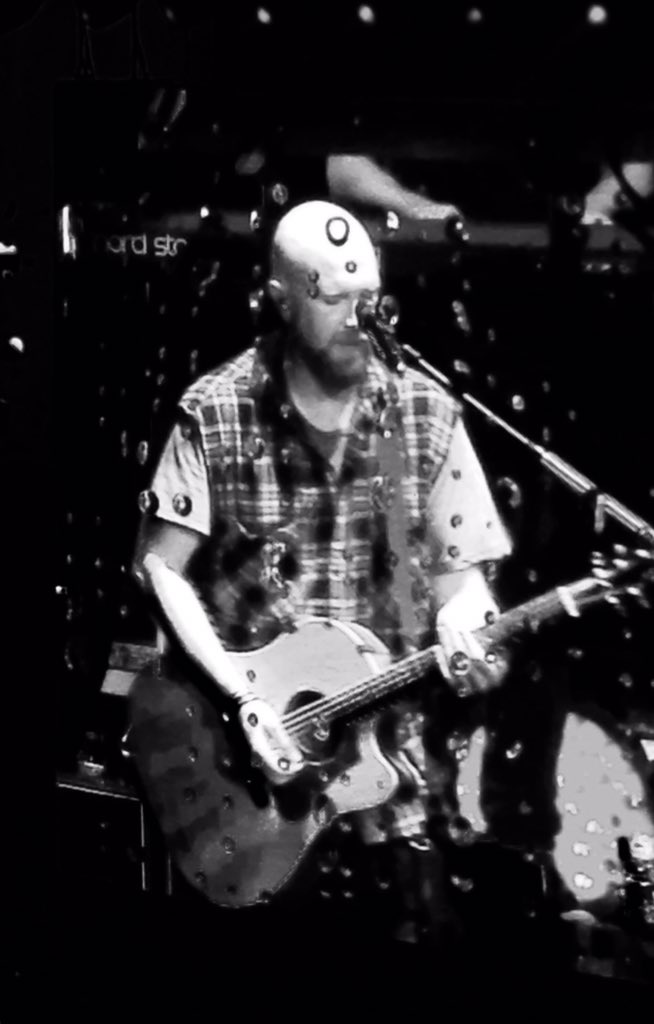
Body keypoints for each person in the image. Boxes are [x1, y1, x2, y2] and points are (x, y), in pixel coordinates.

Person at [131, 199, 512, 973]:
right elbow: (159, 565)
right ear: (280, 300)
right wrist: (243, 697)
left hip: (391, 787)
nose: (356, 320)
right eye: (334, 300)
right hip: (252, 782)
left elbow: (464, 583)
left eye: (368, 300)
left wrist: (468, 623)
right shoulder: (219, 408)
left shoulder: (426, 412)